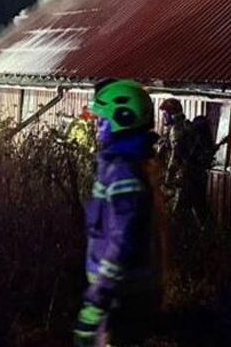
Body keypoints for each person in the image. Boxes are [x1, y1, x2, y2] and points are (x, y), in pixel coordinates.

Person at [75, 79, 164, 347]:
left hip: (120, 295)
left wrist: (97, 297)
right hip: (123, 293)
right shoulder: (124, 165)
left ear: (122, 120)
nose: (97, 127)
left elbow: (122, 242)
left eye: (102, 121)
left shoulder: (122, 172)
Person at [159, 99, 219, 227]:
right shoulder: (186, 126)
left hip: (185, 176)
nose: (164, 117)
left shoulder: (176, 130)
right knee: (200, 208)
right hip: (196, 174)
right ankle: (211, 237)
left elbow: (175, 156)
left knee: (178, 214)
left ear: (172, 114)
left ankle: (192, 242)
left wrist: (168, 178)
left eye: (165, 113)